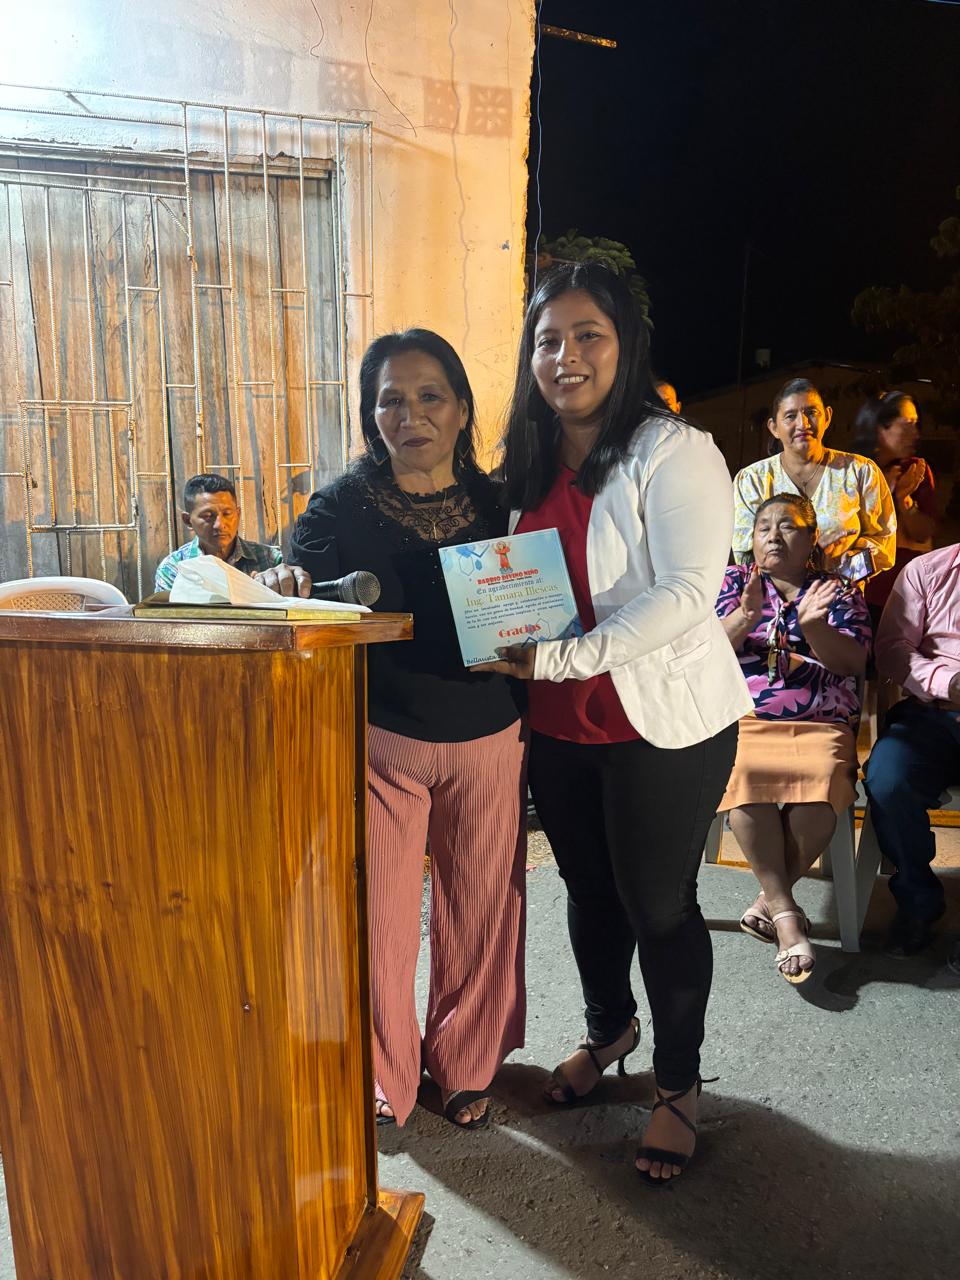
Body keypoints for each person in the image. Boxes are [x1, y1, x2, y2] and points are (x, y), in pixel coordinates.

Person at [479, 263, 753, 1187]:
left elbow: (687, 592)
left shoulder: (674, 450)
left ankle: (677, 1083)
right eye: (547, 339)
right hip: (559, 724)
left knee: (658, 904)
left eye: (587, 334)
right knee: (588, 894)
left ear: (626, 343)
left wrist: (558, 659)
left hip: (661, 724)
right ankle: (610, 1033)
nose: (566, 356)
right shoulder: (527, 459)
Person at [257, 329, 526, 1131]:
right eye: (391, 401)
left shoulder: (503, 504)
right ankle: (384, 1075)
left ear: (462, 407)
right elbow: (297, 601)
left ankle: (466, 1065)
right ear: (371, 415)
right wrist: (282, 585)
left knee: (482, 912)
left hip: (491, 735)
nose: (411, 416)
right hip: (382, 744)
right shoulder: (335, 509)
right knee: (378, 923)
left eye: (429, 395)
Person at [715, 494, 871, 983]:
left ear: (811, 538)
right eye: (763, 528)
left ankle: (769, 902)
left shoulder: (837, 591)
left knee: (822, 784)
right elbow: (704, 653)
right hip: (746, 716)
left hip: (822, 719)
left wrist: (813, 626)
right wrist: (744, 618)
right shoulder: (733, 582)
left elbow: (853, 663)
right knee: (744, 773)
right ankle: (786, 916)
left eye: (787, 527)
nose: (773, 536)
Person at [863, 543, 960, 957]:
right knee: (888, 779)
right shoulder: (928, 570)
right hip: (932, 713)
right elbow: (892, 649)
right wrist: (947, 682)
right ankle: (918, 900)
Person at [732, 378, 896, 584]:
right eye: (790, 416)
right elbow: (745, 556)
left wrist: (844, 565)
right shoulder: (752, 480)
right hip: (775, 601)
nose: (803, 424)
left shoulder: (860, 471)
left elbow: (884, 544)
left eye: (812, 412)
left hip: (840, 599)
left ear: (827, 417)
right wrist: (813, 558)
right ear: (774, 428)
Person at [852, 392, 937, 629]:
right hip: (860, 592)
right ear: (880, 428)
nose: (916, 433)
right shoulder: (853, 471)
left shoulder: (915, 471)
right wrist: (886, 492)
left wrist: (903, 500)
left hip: (906, 595)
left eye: (916, 424)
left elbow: (923, 534)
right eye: (907, 424)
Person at [154, 473, 282, 591]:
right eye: (208, 516)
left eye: (227, 514)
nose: (219, 524)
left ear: (238, 515)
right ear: (188, 520)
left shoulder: (270, 560)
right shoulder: (173, 569)